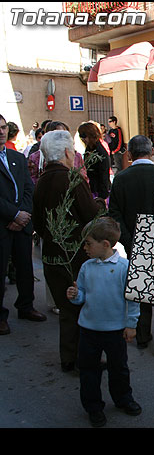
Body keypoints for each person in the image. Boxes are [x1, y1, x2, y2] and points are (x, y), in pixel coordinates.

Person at [32, 130, 104, 372]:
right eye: (72, 150)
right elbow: (90, 216)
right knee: (82, 307)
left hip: (52, 254)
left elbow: (39, 224)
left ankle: (69, 357)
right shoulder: (72, 179)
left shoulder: (42, 180)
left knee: (66, 309)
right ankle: (83, 358)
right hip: (76, 255)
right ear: (66, 152)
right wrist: (99, 204)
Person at [107, 134, 154, 356]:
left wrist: (129, 240)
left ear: (129, 154)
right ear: (150, 151)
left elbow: (115, 213)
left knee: (140, 288)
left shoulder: (121, 178)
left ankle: (141, 334)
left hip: (133, 239)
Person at [66, 217, 141, 427]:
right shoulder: (86, 267)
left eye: (89, 243)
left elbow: (132, 299)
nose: (85, 247)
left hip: (115, 331)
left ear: (105, 244)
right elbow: (82, 295)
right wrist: (75, 295)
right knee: (89, 370)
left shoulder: (124, 267)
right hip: (88, 329)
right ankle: (93, 406)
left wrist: (131, 324)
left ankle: (123, 399)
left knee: (119, 368)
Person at [0, 113, 46, 336]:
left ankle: (26, 306)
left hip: (22, 222)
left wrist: (25, 213)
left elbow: (29, 187)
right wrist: (13, 215)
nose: (1, 131)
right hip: (4, 223)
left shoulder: (16, 157)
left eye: (3, 127)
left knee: (25, 268)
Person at [78, 121, 111, 200]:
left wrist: (102, 197)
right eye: (80, 136)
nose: (82, 139)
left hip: (98, 191)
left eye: (83, 136)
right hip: (92, 188)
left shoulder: (100, 152)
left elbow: (104, 175)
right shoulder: (89, 149)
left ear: (91, 135)